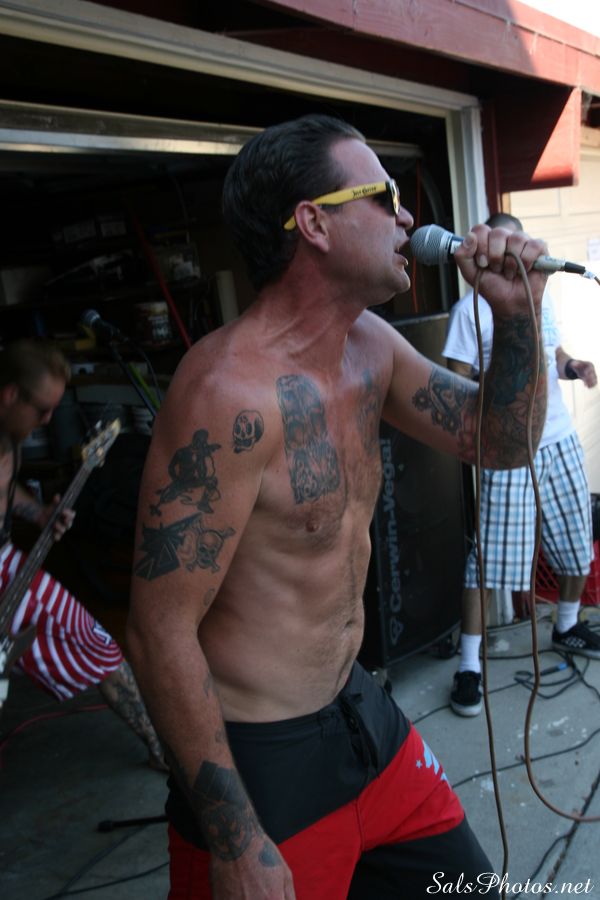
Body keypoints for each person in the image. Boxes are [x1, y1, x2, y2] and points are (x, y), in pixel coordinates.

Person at [127, 114, 549, 900]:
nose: (408, 216)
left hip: (360, 711)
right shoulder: (225, 393)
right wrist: (236, 842)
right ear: (314, 225)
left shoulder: (371, 349)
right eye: (384, 196)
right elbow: (158, 632)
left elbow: (502, 441)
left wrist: (516, 316)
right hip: (263, 762)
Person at [443, 212, 599, 718]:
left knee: (577, 546)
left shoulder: (540, 296)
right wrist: (496, 408)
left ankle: (567, 626)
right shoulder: (469, 311)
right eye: (506, 245)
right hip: (508, 452)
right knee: (490, 561)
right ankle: (469, 666)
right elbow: (455, 381)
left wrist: (572, 366)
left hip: (559, 440)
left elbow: (552, 352)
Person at [0, 338, 165, 770]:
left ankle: (160, 746)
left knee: (94, 640)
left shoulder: (11, 434)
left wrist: (38, 513)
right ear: (11, 395)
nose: (48, 421)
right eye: (42, 410)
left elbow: (7, 489)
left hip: (8, 564)